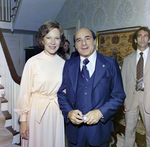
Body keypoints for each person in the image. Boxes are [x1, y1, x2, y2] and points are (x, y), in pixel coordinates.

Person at [58, 28, 126, 147]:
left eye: (87, 38)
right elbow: (61, 94)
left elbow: (118, 96)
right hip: (75, 131)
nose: (83, 43)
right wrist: (69, 113)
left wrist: (101, 112)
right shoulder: (69, 64)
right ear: (75, 45)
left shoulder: (110, 64)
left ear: (95, 41)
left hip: (100, 129)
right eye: (79, 40)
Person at [14, 21, 65, 147]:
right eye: (48, 37)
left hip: (56, 112)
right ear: (42, 40)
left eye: (56, 38)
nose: (53, 42)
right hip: (36, 111)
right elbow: (24, 94)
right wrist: (23, 120)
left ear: (60, 41)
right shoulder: (32, 62)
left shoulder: (64, 64)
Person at [122, 27, 150, 146]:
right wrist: (123, 100)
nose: (142, 38)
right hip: (131, 99)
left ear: (149, 40)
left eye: (145, 36)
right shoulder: (128, 59)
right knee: (129, 131)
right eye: (139, 36)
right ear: (135, 40)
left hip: (148, 98)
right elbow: (123, 81)